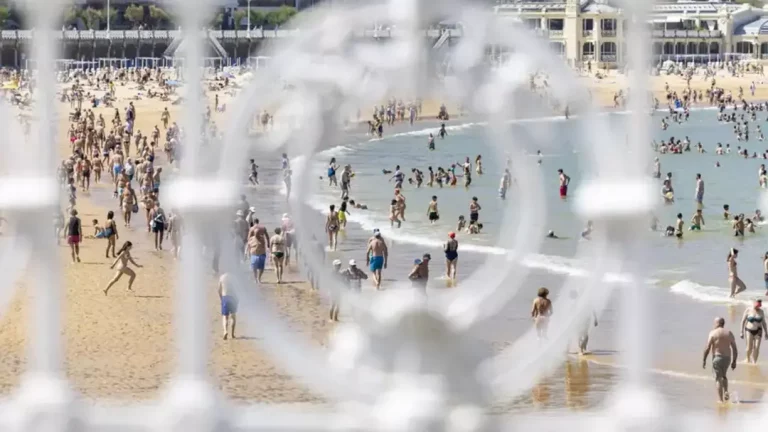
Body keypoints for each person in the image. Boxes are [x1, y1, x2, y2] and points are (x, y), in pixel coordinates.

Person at [702, 317, 738, 403]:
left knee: (718, 378)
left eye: (714, 323)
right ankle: (725, 390)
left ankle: (720, 400)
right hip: (727, 359)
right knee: (724, 376)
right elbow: (734, 349)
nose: (713, 324)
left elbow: (707, 347)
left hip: (717, 358)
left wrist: (704, 360)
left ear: (717, 323)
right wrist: (734, 361)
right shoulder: (729, 333)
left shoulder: (713, 333)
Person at [740, 299, 767, 364]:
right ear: (754, 303)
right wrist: (741, 332)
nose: (758, 307)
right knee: (749, 347)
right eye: (757, 306)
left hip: (759, 330)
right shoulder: (748, 310)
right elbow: (743, 321)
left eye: (759, 306)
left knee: (757, 347)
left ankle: (754, 362)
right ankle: (747, 359)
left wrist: (766, 332)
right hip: (749, 330)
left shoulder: (761, 311)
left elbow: (764, 322)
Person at [218, 273, 238, 340]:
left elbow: (219, 290)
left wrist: (221, 299)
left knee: (225, 317)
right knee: (233, 316)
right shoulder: (234, 277)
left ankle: (225, 331)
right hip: (233, 297)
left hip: (225, 297)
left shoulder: (222, 277)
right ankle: (232, 334)